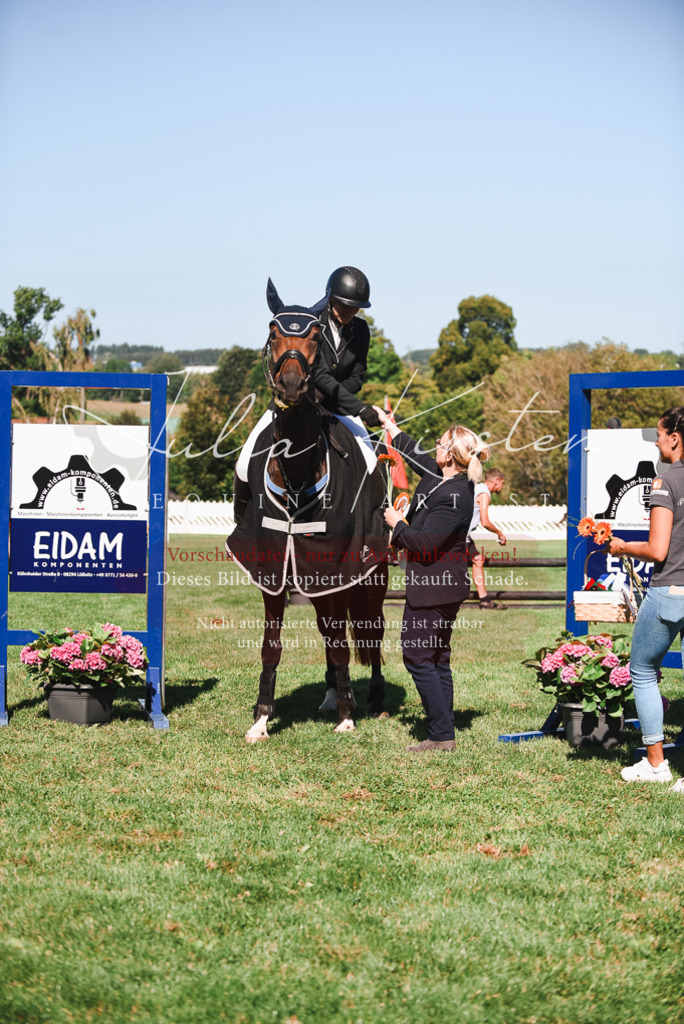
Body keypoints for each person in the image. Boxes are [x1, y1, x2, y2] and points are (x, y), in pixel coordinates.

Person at [373, 406, 488, 751]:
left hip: (435, 589)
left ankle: (441, 734)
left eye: (438, 443)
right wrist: (389, 424)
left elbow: (424, 545)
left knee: (418, 658)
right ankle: (444, 730)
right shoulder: (443, 479)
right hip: (439, 587)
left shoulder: (455, 495)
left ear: (451, 454)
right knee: (437, 659)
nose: (433, 447)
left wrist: (397, 524)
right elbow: (411, 451)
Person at [607, 406, 684, 790]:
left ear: (674, 437)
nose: (656, 441)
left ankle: (656, 765)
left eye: (659, 433)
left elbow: (657, 549)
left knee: (641, 670)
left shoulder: (665, 482)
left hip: (671, 590)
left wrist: (623, 547)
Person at [315, 266, 381, 428]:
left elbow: (357, 378)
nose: (350, 312)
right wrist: (360, 408)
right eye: (344, 305)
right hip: (303, 402)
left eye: (355, 307)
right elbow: (320, 375)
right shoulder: (313, 324)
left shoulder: (361, 329)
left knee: (369, 447)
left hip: (337, 407)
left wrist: (333, 396)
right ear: (330, 298)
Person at [467, 468, 507, 610]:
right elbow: (485, 522)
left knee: (478, 559)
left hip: (463, 535)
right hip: (459, 536)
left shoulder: (476, 488)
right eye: (502, 483)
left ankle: (484, 600)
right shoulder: (484, 493)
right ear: (496, 481)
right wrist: (499, 533)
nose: (502, 487)